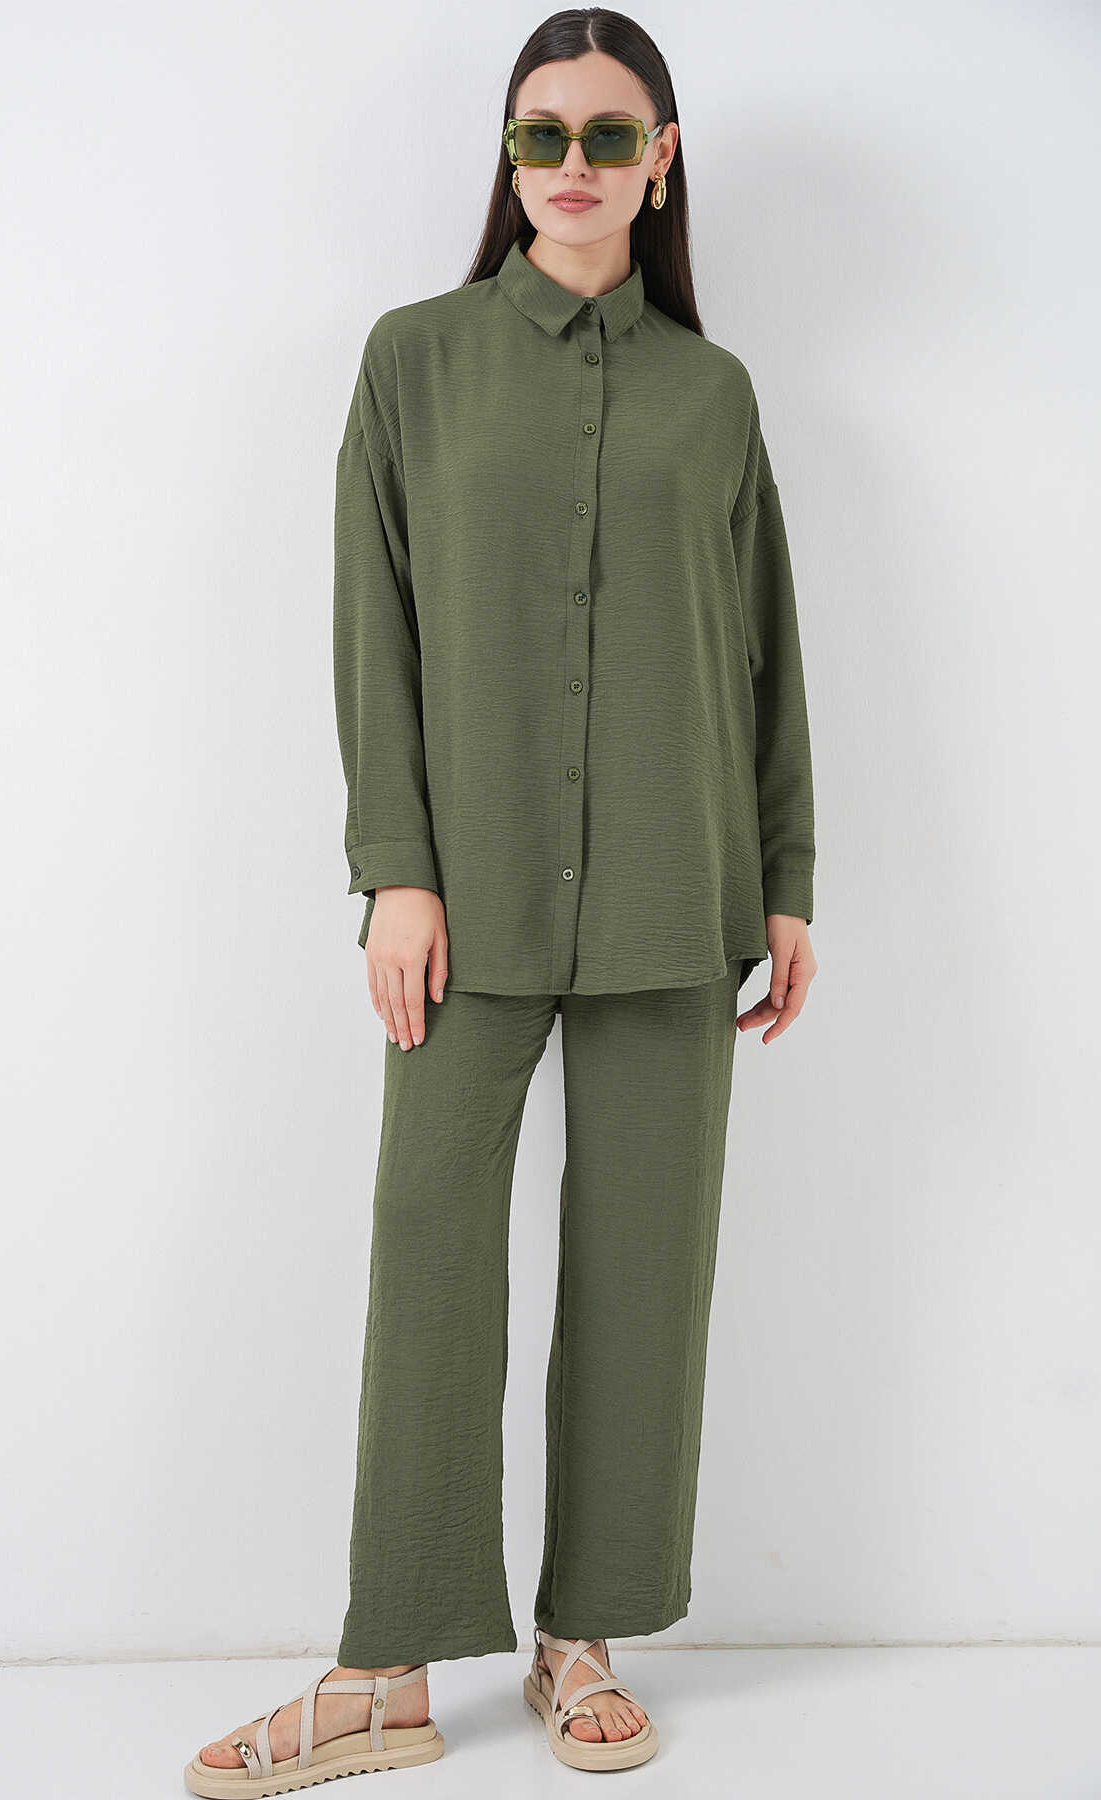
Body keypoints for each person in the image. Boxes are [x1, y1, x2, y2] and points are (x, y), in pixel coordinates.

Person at [184, 7, 817, 1791]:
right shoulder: (414, 363)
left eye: (611, 137)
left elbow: (766, 652)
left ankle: (584, 1640)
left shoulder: (715, 394)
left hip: (678, 890)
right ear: (509, 156)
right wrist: (394, 867)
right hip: (458, 906)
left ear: (661, 162)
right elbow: (370, 626)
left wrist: (785, 879)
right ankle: (383, 1667)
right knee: (433, 1254)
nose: (573, 167)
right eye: (544, 135)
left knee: (645, 1272)